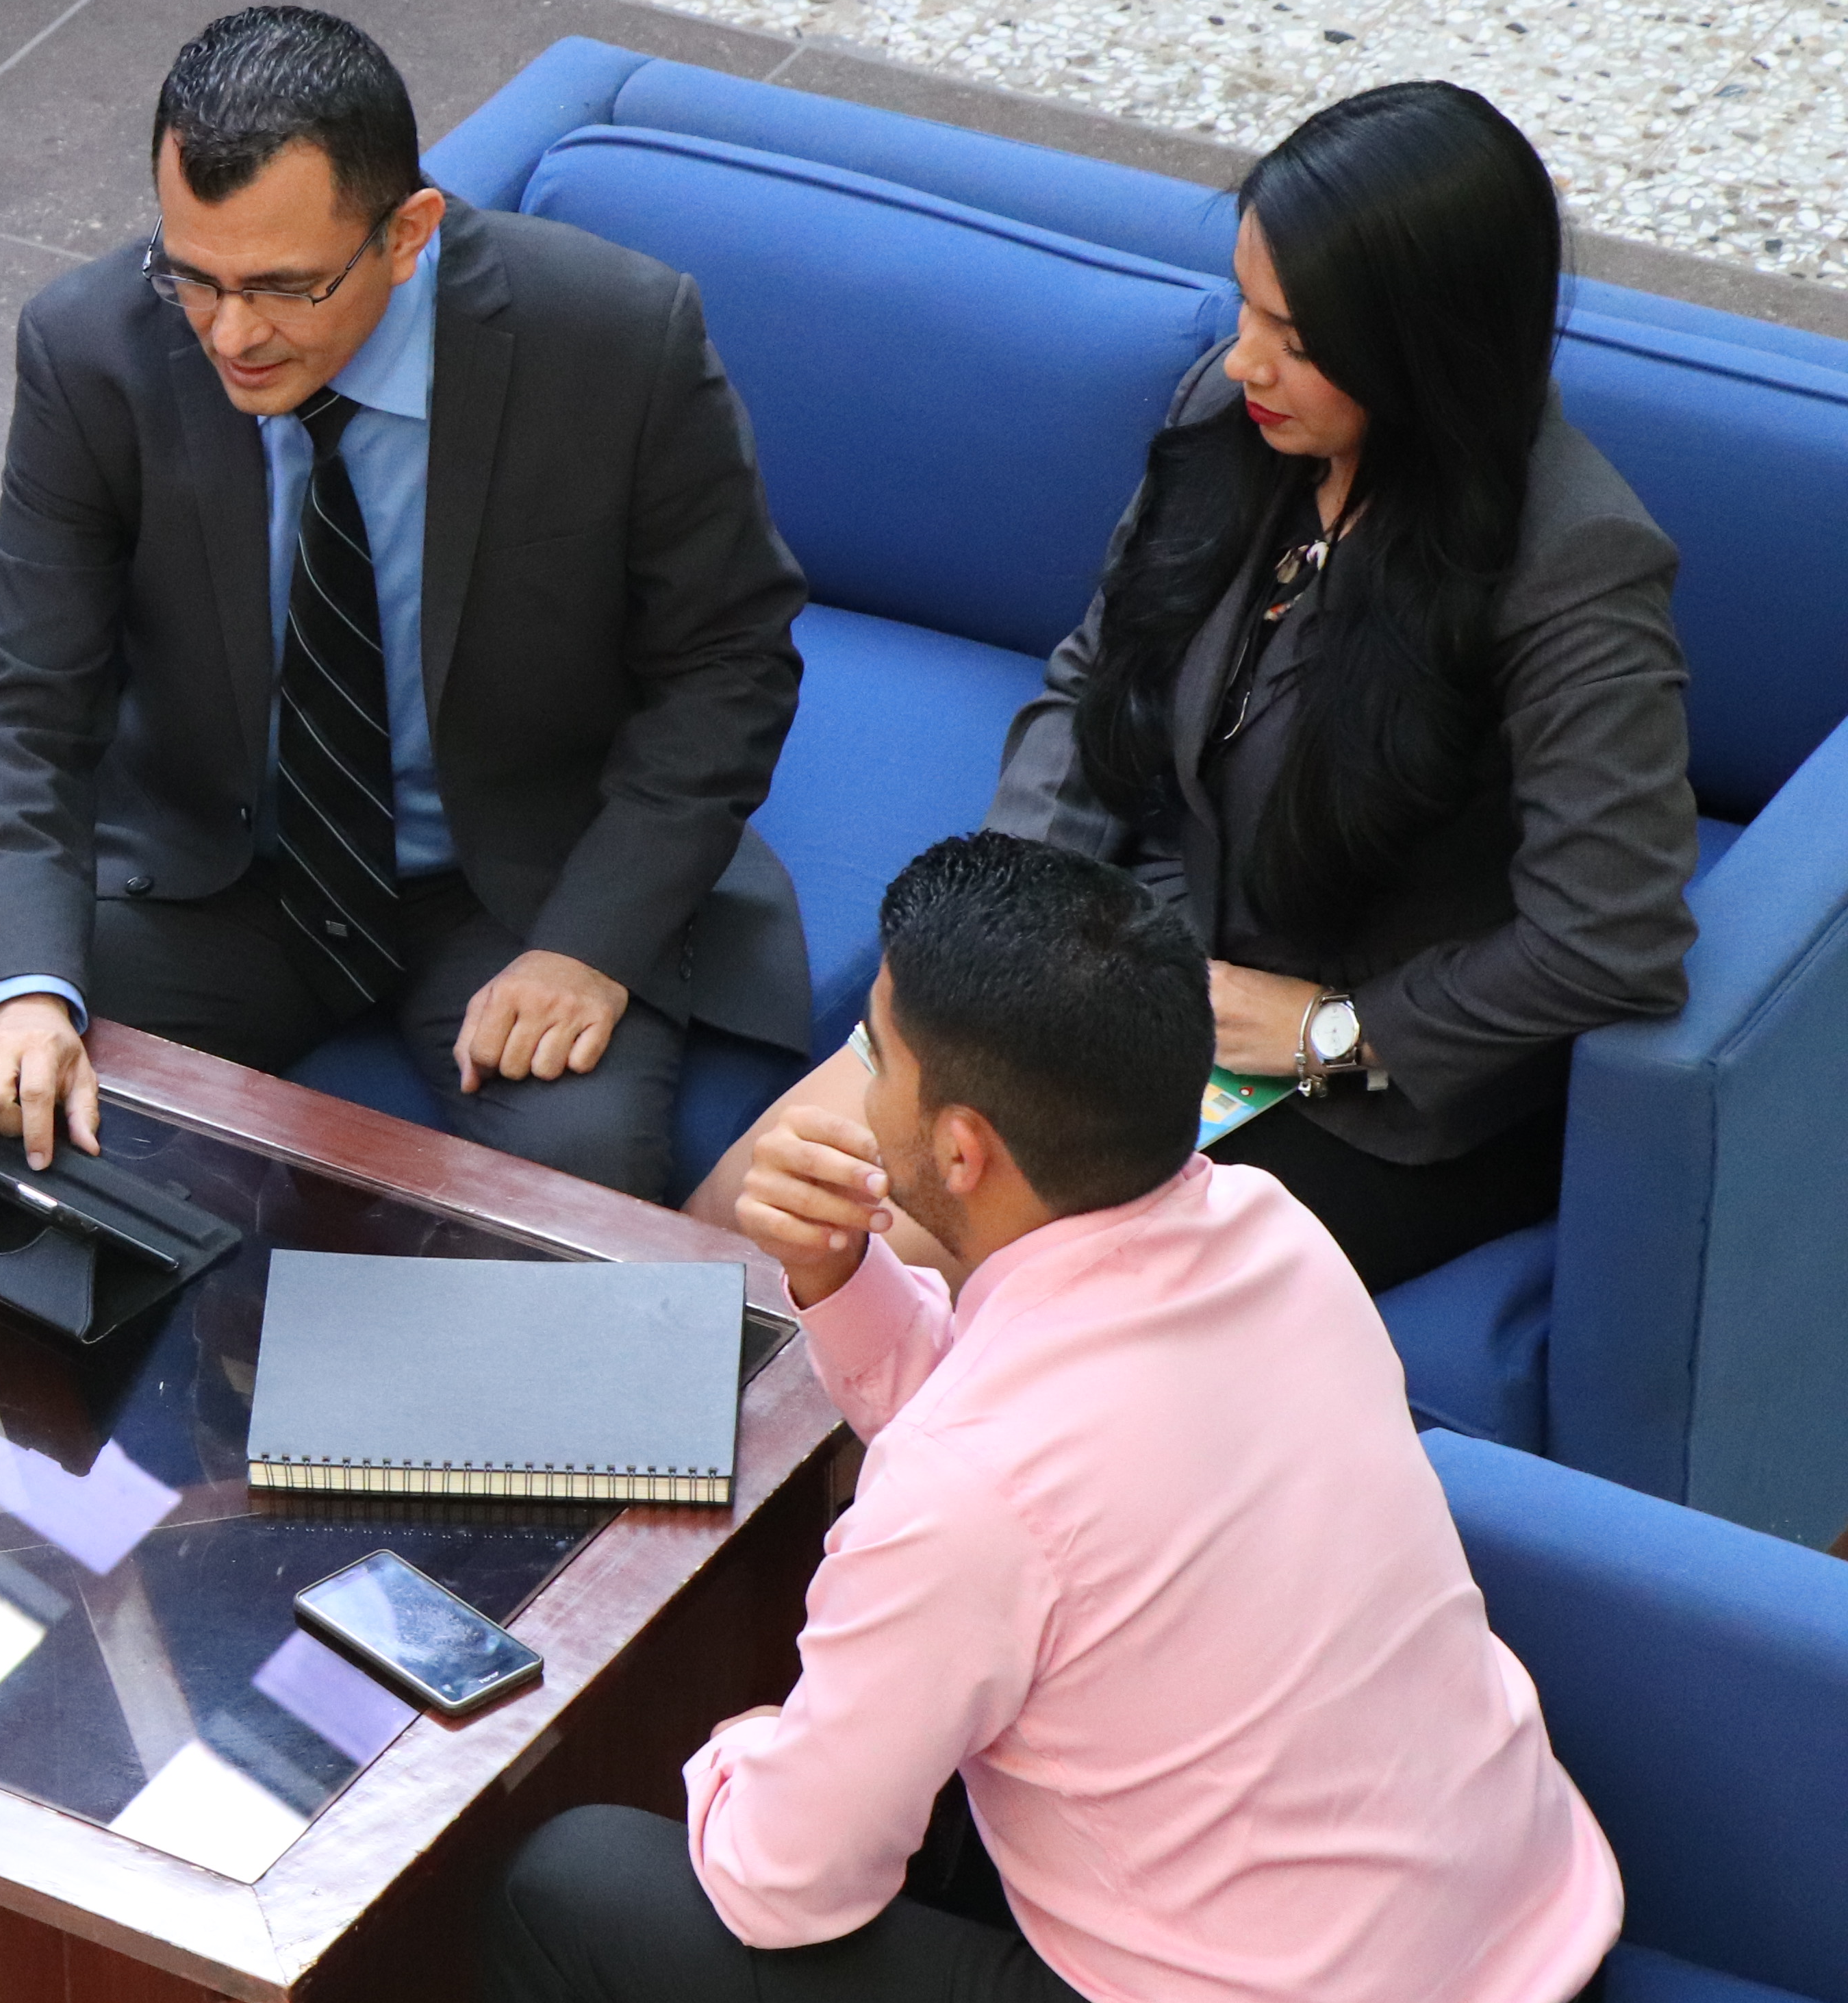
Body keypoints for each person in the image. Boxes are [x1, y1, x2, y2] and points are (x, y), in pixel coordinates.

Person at [316, 833, 1618, 2003]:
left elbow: (785, 1881)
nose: (845, 1088)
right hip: (1530, 1965)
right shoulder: (1270, 1231)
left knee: (583, 1895)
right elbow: (1028, 1453)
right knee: (959, 1746)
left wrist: (738, 1748)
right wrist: (844, 1279)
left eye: (873, 1052)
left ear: (960, 1143)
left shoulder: (971, 1493)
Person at [689, 81, 1695, 1291]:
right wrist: (1007, 932)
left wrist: (1333, 1029)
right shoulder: (1235, 416)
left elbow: (1611, 938)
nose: (1246, 359)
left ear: (1428, 352)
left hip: (1362, 1089)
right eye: (1247, 305)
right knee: (749, 1208)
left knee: (880, 1266)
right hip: (1143, 960)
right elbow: (1097, 679)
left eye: (1301, 343)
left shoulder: (1575, 564)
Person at [0, 5, 810, 1200]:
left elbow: (729, 664)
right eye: (195, 277)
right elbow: (20, 704)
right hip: (216, 878)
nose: (231, 333)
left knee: (578, 1196)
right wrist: (25, 996)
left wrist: (588, 946)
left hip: (518, 883)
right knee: (1, 1132)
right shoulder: (92, 351)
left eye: (285, 287)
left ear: (408, 233)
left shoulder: (615, 340)